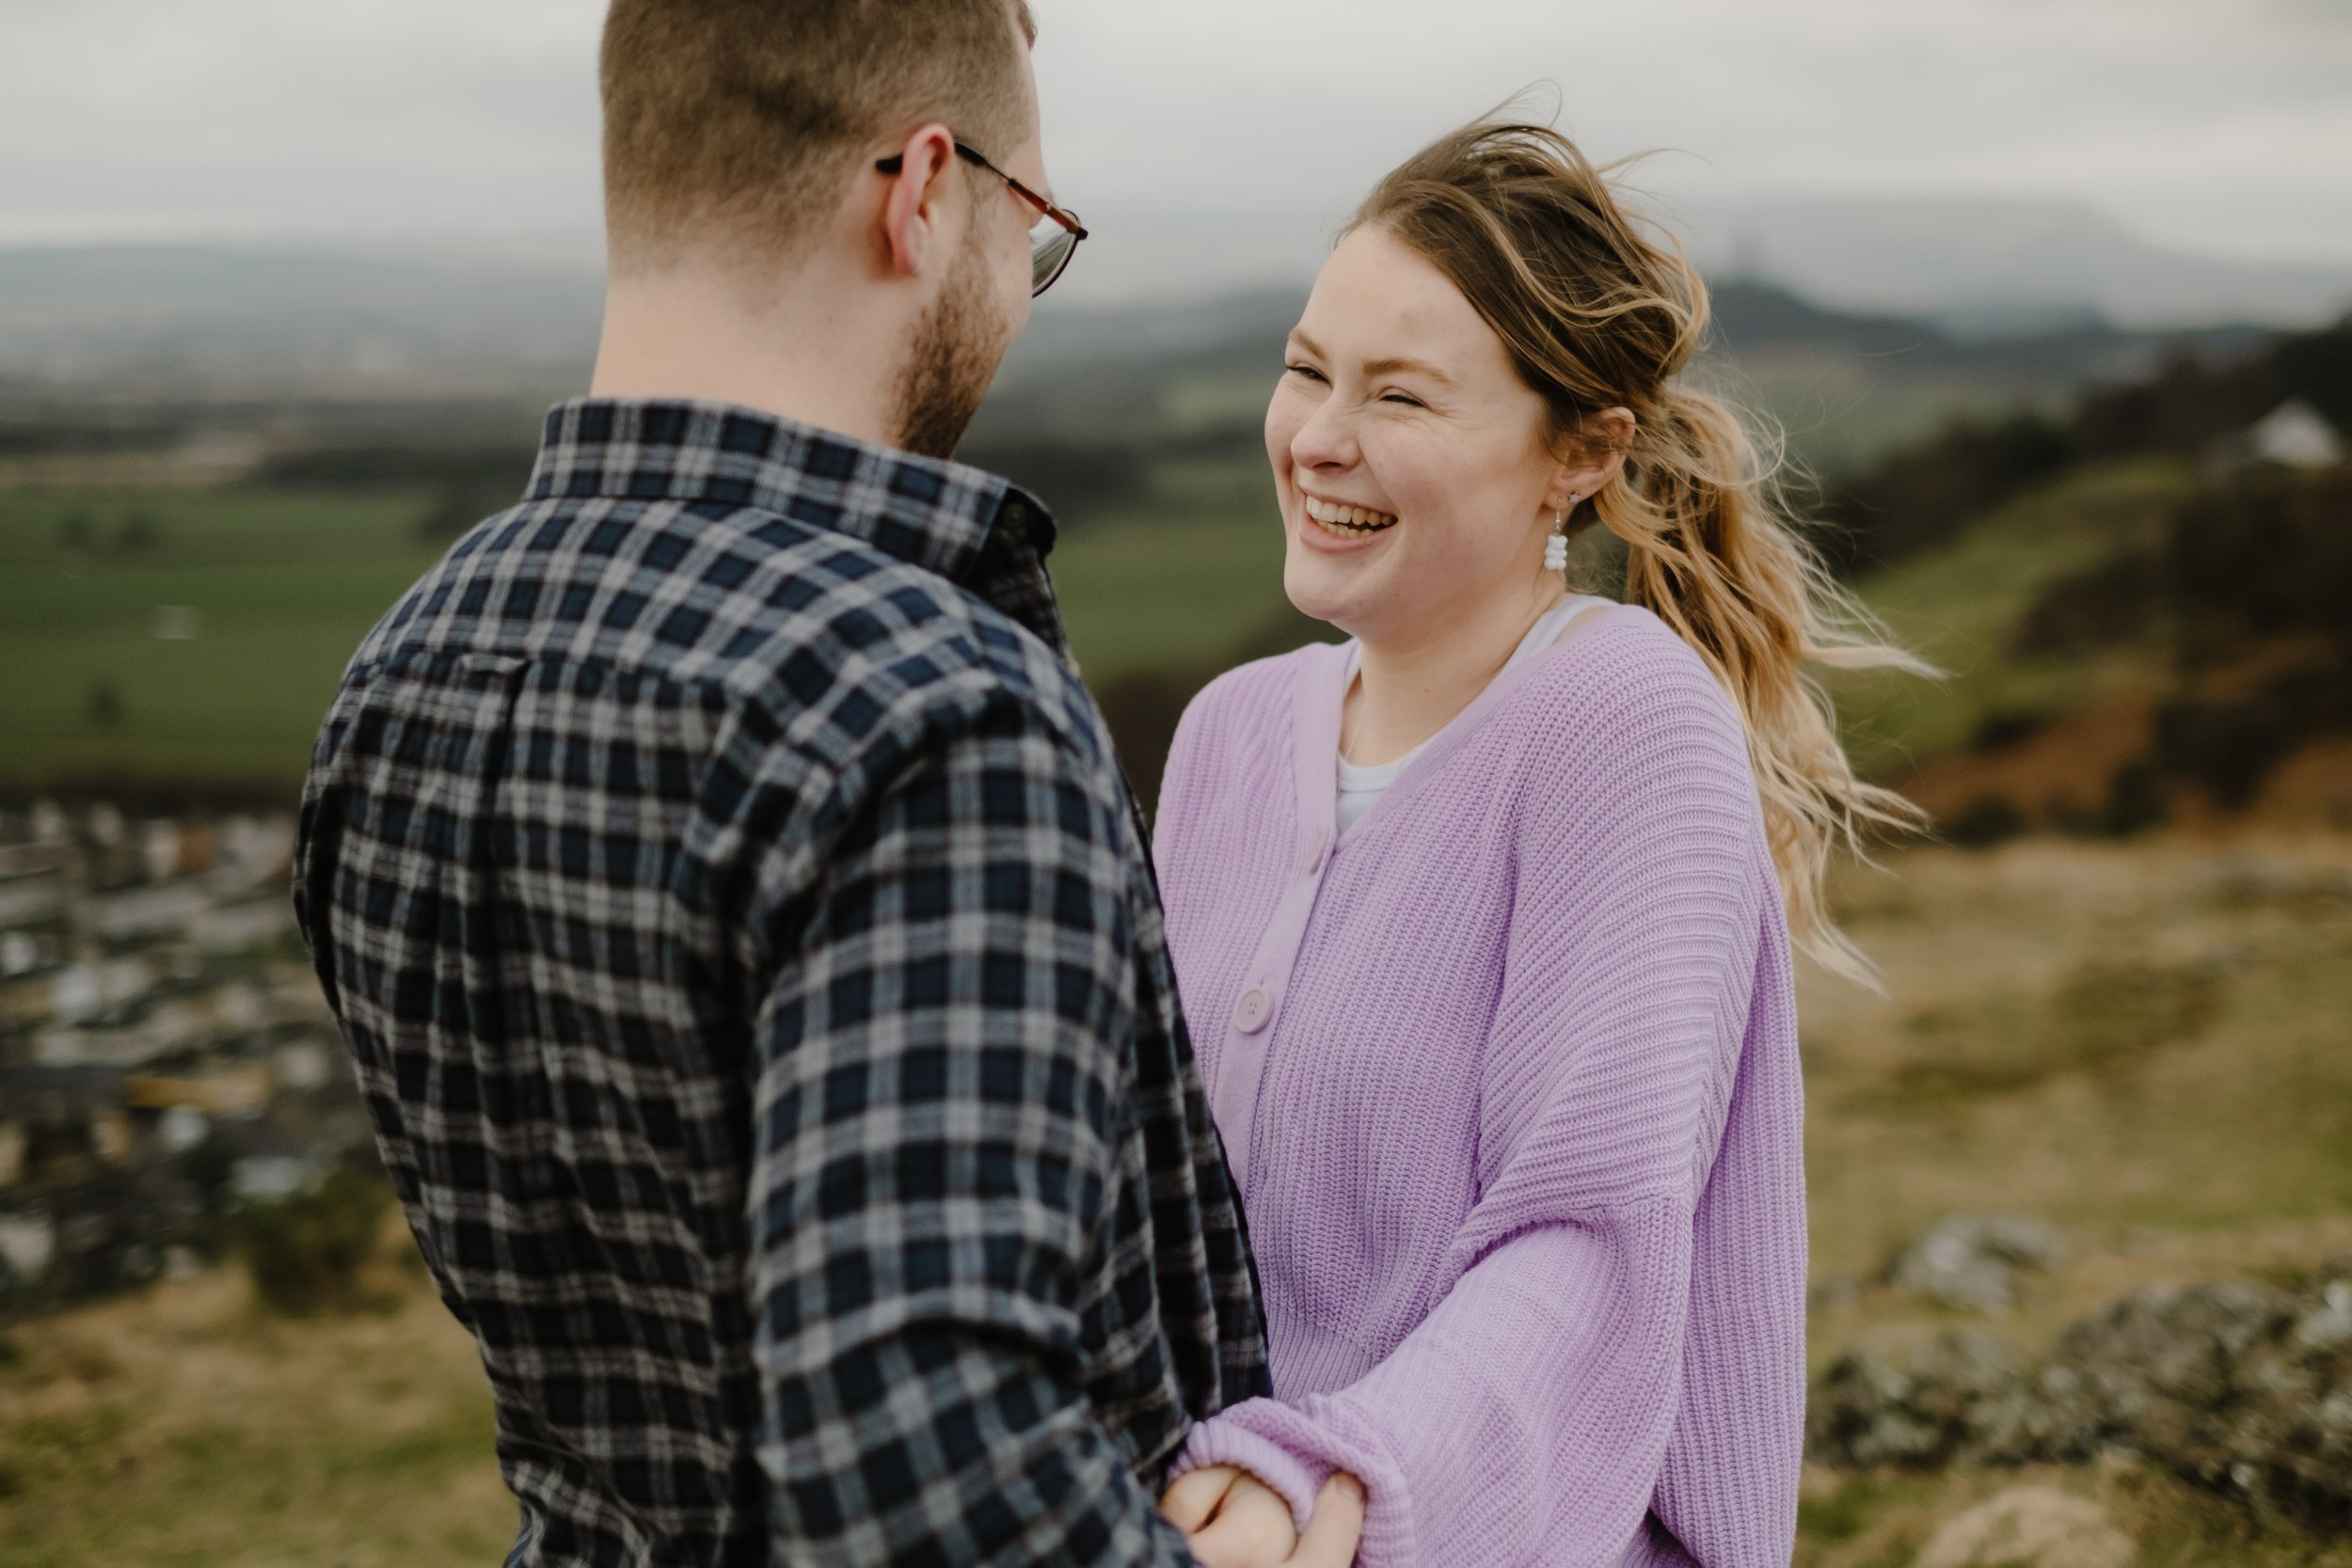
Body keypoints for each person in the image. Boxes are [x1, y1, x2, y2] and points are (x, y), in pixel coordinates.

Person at [290, 3, 1362, 1562]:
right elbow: (933, 1471)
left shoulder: (401, 676)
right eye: (1031, 228)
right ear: (922, 190)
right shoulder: (935, 710)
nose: (1021, 286)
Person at [1150, 119, 1927, 1567]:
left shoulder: (1626, 725)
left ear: (1579, 456)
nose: (1320, 438)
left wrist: (1325, 1483)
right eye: (1307, 369)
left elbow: (1586, 1247)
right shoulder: (1227, 739)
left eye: (1402, 397)